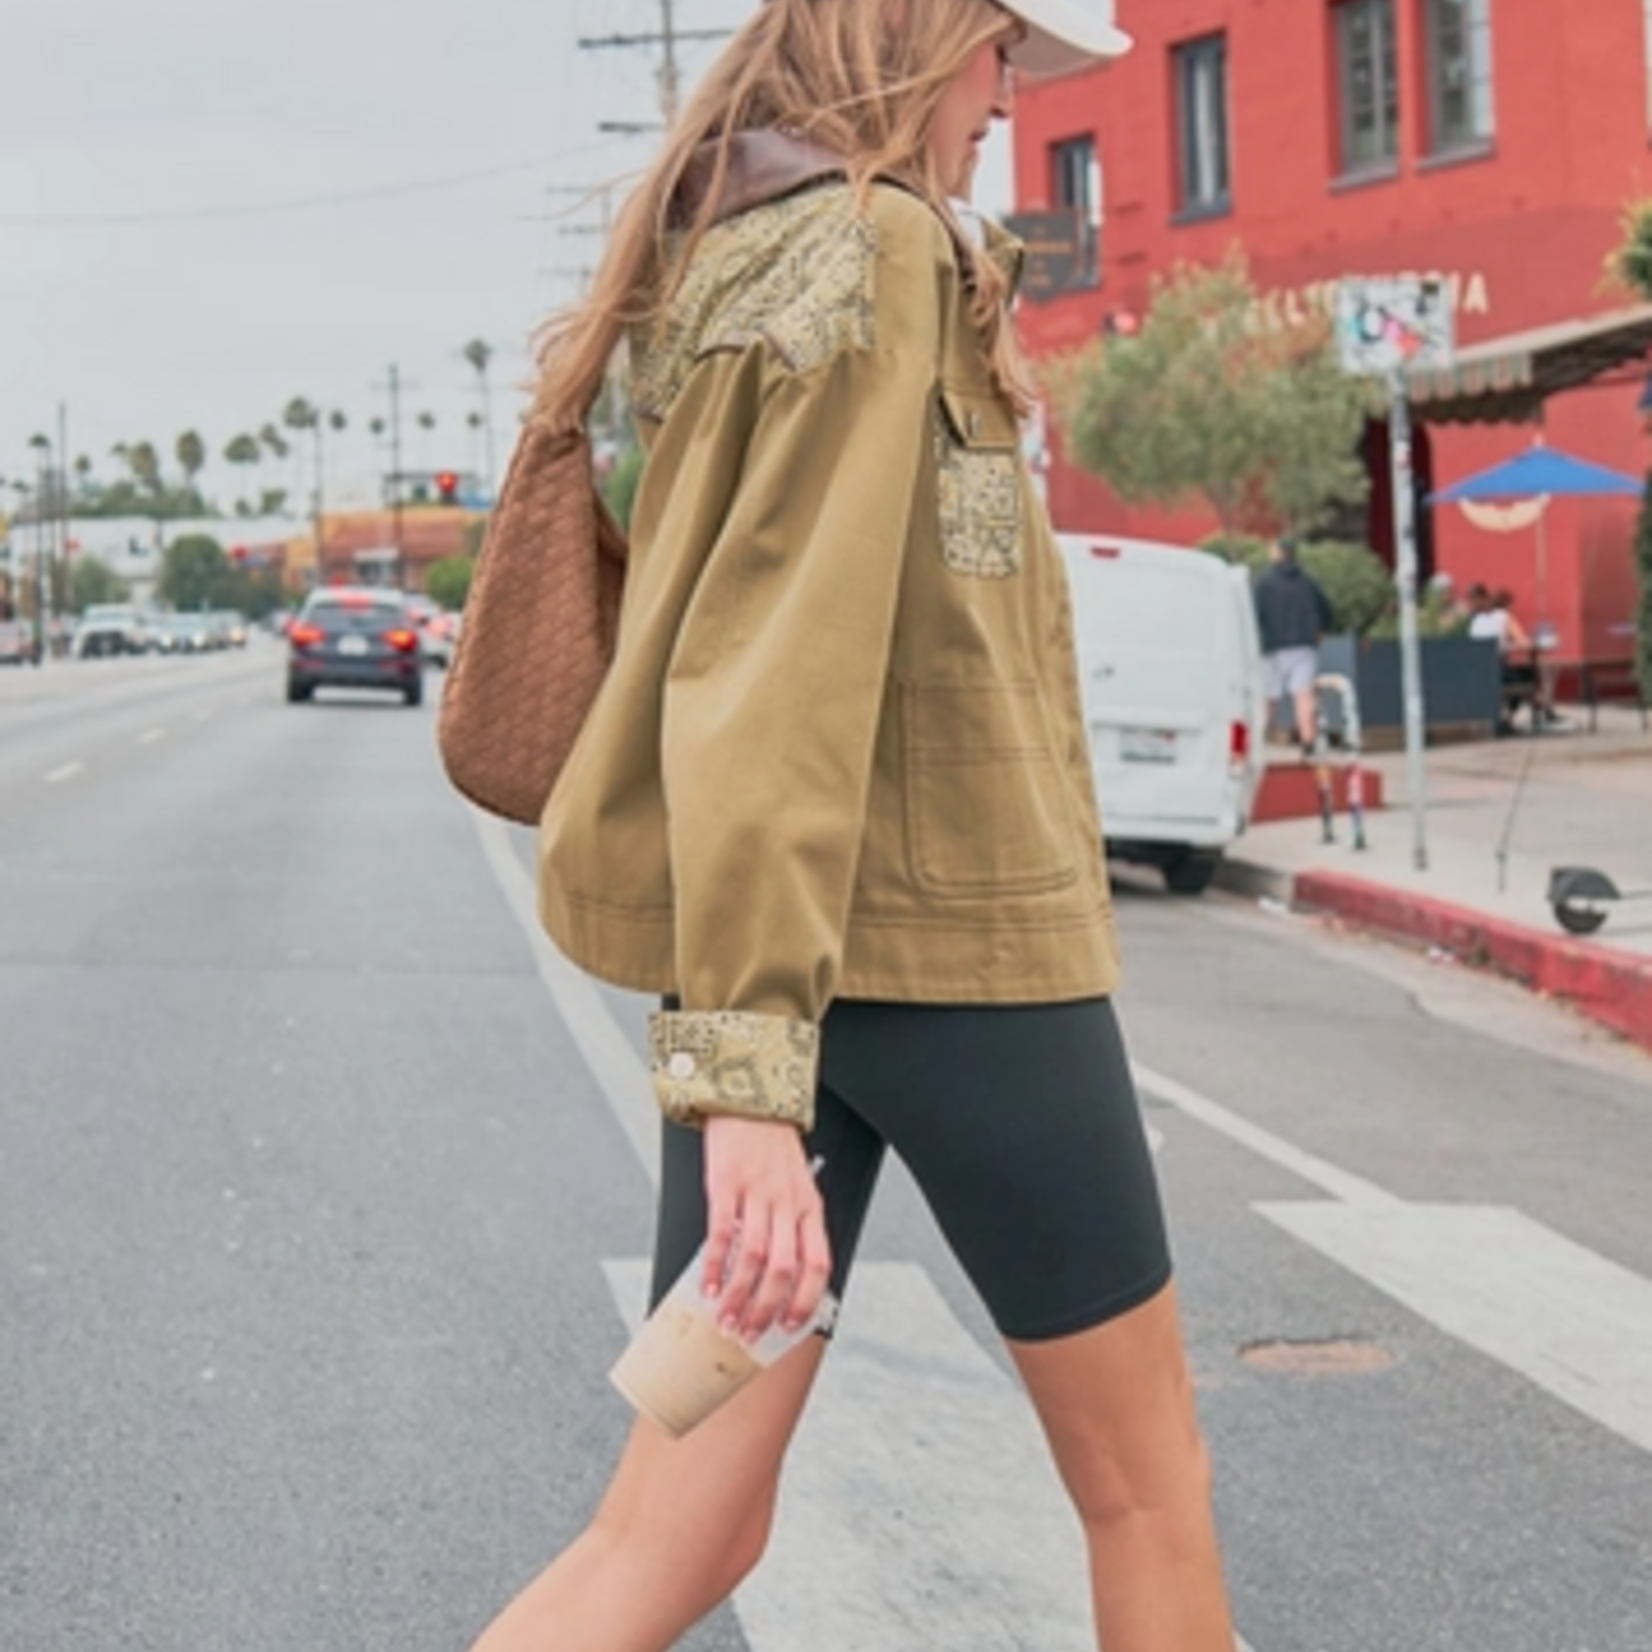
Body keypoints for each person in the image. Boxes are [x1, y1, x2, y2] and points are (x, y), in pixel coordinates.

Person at [470, 4, 1236, 1650]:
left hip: (784, 972)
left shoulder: (759, 254)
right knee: (1147, 1488)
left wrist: (747, 1060)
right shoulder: (873, 254)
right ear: (920, 30)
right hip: (956, 962)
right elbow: (769, 672)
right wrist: (749, 1081)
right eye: (999, 46)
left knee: (677, 1529)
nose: (1009, 89)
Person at [1253, 533, 1334, 757]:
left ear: (1279, 553)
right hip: (1304, 645)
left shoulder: (1264, 582)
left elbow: (1254, 613)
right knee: (1303, 694)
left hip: (1272, 646)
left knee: (1268, 696)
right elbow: (1326, 609)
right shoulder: (1308, 581)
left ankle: (1256, 741)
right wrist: (1320, 631)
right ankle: (1308, 742)